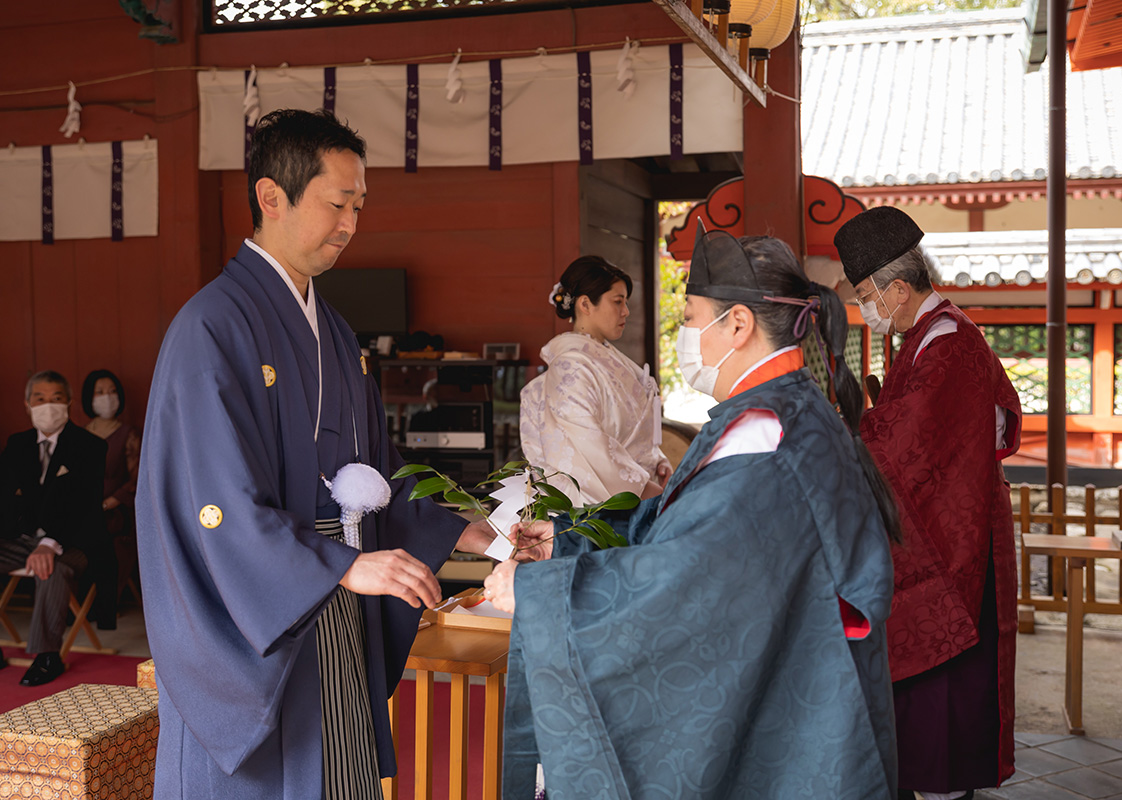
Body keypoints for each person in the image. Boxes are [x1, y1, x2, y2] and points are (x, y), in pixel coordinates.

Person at [137, 108, 496, 800]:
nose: (350, 224)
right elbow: (216, 505)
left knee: (338, 774)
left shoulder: (334, 331)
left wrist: (469, 526)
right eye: (337, 203)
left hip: (333, 596)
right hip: (265, 613)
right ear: (272, 197)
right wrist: (340, 565)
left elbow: (380, 472)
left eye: (358, 206)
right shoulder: (210, 327)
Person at [486, 230, 903, 799]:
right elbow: (683, 526)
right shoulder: (784, 410)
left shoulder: (764, 435)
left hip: (799, 702)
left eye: (690, 316)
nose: (684, 334)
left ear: (737, 325)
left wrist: (541, 592)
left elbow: (683, 580)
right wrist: (569, 541)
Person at [834, 206, 1022, 800]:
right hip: (947, 526)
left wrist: (838, 443)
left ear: (895, 287)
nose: (865, 308)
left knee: (943, 682)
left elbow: (902, 445)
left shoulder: (946, 345)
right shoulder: (931, 334)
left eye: (866, 294)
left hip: (953, 544)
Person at [0, 370, 106, 686]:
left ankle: (47, 655)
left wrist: (50, 543)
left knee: (50, 568)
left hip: (75, 542)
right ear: (27, 404)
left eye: (56, 398)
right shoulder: (18, 444)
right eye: (40, 398)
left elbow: (86, 506)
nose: (48, 405)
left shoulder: (90, 446)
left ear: (69, 403)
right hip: (25, 539)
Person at [520, 257, 671, 504]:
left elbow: (630, 428)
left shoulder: (610, 360)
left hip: (645, 485)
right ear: (586, 305)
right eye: (618, 302)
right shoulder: (571, 366)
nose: (626, 311)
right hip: (608, 500)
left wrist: (657, 460)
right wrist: (641, 488)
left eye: (626, 302)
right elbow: (586, 444)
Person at [81, 369, 141, 629]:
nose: (107, 397)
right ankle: (75, 603)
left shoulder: (128, 434)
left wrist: (108, 503)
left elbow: (137, 480)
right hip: (85, 510)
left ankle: (100, 605)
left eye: (112, 391)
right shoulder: (79, 434)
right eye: (100, 392)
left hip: (116, 512)